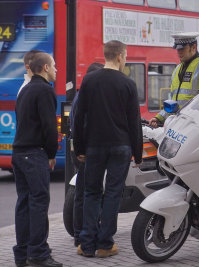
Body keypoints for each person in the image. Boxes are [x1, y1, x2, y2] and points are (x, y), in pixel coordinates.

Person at [73, 40, 143, 258]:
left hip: (94, 146)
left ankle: (86, 244)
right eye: (126, 56)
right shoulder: (128, 84)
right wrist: (138, 153)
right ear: (120, 56)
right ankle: (105, 244)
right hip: (121, 146)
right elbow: (134, 122)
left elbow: (79, 117)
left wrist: (79, 148)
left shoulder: (89, 81)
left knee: (91, 192)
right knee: (113, 193)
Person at [12, 52, 63, 267]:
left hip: (18, 153)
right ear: (44, 68)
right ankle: (39, 254)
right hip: (35, 154)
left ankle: (21, 253)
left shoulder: (24, 90)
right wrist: (51, 154)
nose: (56, 69)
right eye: (53, 65)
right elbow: (49, 127)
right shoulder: (44, 90)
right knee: (39, 204)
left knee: (24, 203)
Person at [149, 32, 199, 127]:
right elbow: (173, 100)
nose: (179, 52)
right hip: (178, 126)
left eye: (182, 48)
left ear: (193, 47)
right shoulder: (177, 69)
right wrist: (159, 118)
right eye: (177, 49)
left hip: (197, 126)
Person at [69, 62, 104, 247]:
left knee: (83, 193)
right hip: (85, 151)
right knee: (85, 193)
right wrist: (82, 151)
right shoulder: (86, 97)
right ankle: (80, 235)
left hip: (82, 149)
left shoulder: (81, 95)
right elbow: (78, 126)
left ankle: (80, 233)